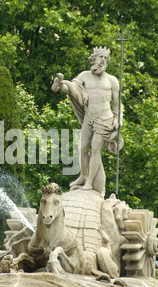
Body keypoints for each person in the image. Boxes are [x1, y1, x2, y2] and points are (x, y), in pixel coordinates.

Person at [52, 47, 123, 197]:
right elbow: (73, 88)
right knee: (82, 148)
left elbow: (117, 104)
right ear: (93, 59)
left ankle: (90, 182)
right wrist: (61, 84)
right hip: (89, 118)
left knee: (96, 149)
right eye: (100, 57)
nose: (103, 60)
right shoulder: (84, 76)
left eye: (105, 58)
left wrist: (118, 120)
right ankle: (83, 176)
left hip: (105, 120)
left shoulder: (112, 80)